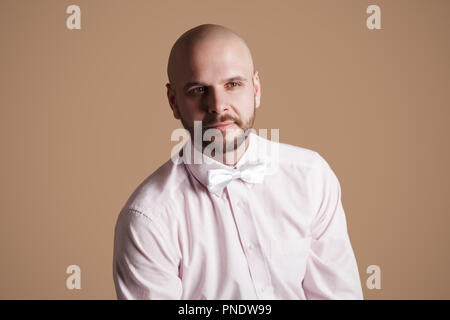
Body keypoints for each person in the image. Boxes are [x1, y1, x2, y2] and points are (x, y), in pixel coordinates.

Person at [112, 24, 364, 299]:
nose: (218, 105)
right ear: (173, 101)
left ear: (256, 88)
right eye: (198, 89)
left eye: (233, 84)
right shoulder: (149, 217)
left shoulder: (311, 176)